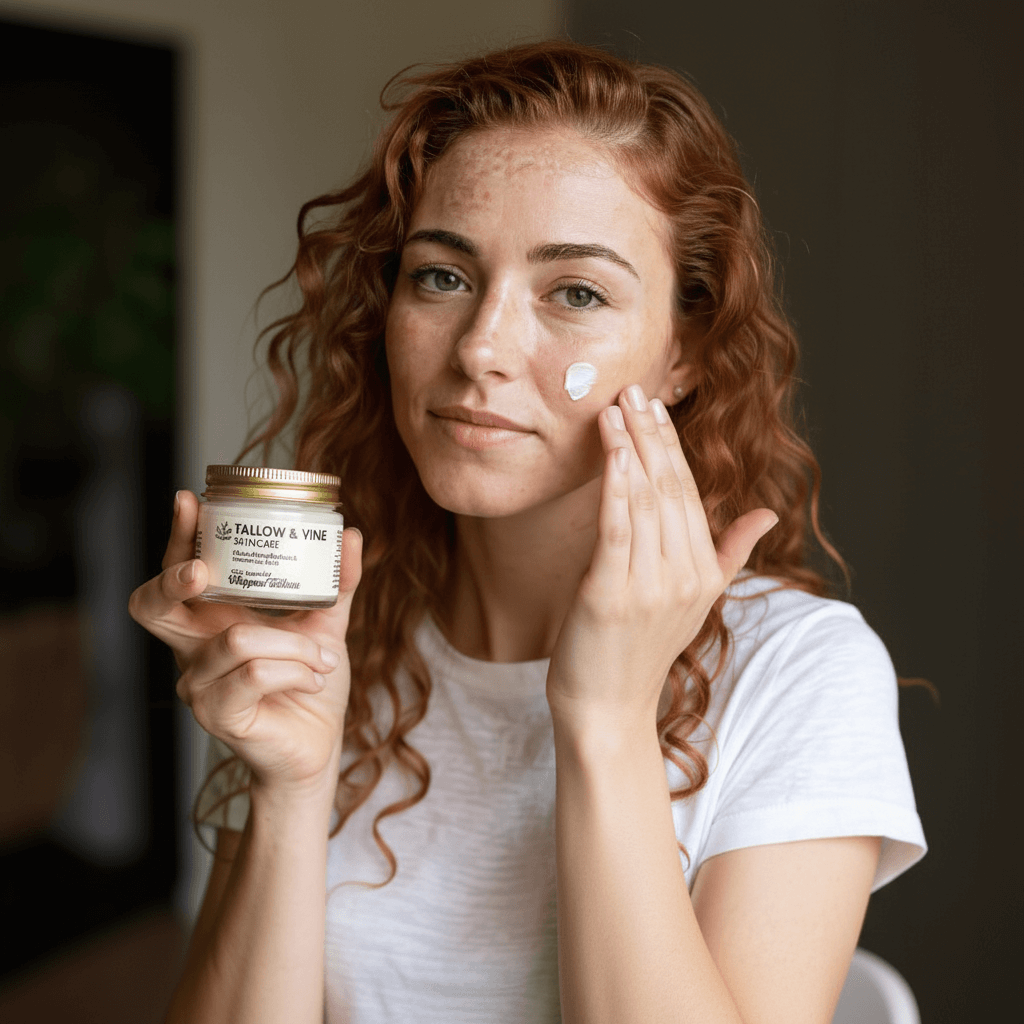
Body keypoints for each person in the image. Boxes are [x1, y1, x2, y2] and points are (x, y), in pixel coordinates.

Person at [129, 39, 926, 1024]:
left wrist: (603, 716)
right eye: (440, 277)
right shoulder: (339, 633)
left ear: (683, 351)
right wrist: (291, 779)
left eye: (576, 293)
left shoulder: (797, 674)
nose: (481, 348)